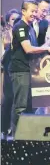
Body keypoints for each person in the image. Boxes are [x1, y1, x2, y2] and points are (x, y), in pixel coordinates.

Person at [9, 0, 50, 134]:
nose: (34, 14)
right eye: (32, 11)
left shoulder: (30, 27)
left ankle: (27, 136)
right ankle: (17, 137)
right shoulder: (20, 26)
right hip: (20, 71)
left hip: (29, 70)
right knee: (21, 106)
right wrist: (46, 48)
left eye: (36, 11)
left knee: (30, 106)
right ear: (23, 11)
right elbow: (28, 49)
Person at [1, 9, 21, 139]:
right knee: (8, 99)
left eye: (17, 19)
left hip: (19, 70)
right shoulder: (4, 35)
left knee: (17, 101)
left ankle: (16, 129)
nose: (15, 21)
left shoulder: (23, 32)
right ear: (8, 21)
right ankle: (4, 129)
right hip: (6, 71)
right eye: (13, 19)